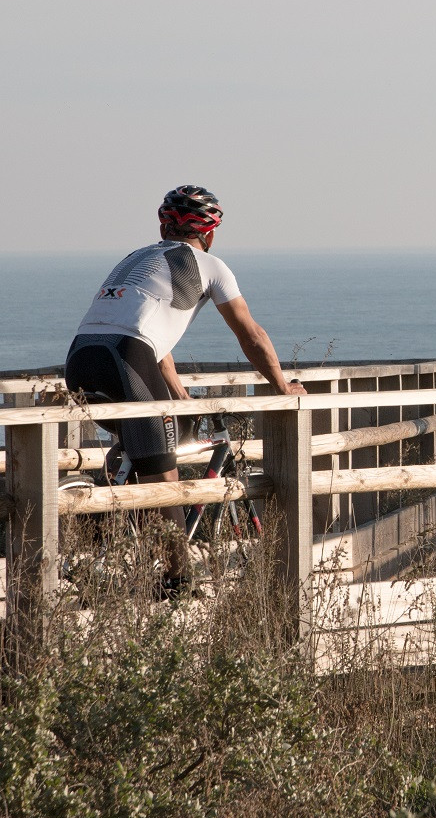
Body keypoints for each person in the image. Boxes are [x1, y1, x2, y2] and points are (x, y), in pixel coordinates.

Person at [64, 185, 305, 594]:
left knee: (145, 444)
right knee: (164, 475)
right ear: (209, 234)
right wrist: (283, 387)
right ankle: (178, 581)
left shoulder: (134, 258)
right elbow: (250, 335)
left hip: (81, 357)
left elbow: (157, 340)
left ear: (163, 225)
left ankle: (113, 527)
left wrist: (179, 396)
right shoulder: (209, 265)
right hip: (126, 358)